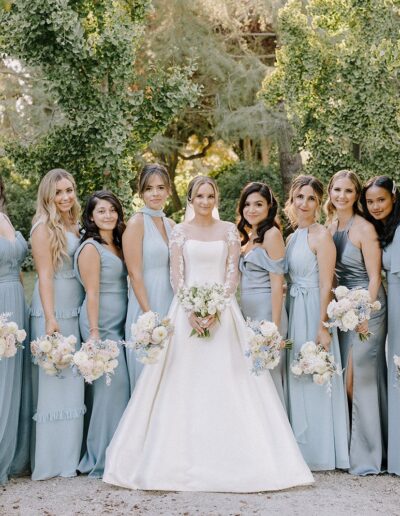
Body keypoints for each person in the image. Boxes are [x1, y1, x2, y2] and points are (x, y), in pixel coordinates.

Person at [103, 175, 313, 492]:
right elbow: (177, 275)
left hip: (223, 313)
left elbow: (232, 274)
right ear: (190, 198)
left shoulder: (229, 230)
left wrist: (216, 307)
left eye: (210, 195)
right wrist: (190, 309)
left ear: (215, 198)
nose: (205, 201)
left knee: (234, 381)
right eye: (199, 196)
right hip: (185, 311)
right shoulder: (179, 232)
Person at [285, 175, 349, 471]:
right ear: (292, 200)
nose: (305, 203)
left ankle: (322, 451)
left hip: (314, 308)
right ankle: (301, 450)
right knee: (298, 373)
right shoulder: (291, 237)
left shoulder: (321, 235)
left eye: (311, 198)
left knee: (316, 373)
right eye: (300, 197)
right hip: (295, 307)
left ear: (319, 202)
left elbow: (327, 284)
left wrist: (323, 326)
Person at [326, 169, 387, 475]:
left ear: (356, 196)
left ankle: (370, 454)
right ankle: (351, 447)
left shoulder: (365, 228)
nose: (342, 196)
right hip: (342, 310)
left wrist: (365, 313)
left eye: (348, 191)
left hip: (368, 308)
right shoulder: (330, 224)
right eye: (337, 190)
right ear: (330, 192)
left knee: (358, 379)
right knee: (345, 377)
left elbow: (375, 275)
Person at [30, 168, 85, 480]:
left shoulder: (74, 224)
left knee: (73, 382)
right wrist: (50, 317)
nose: (66, 197)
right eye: (59, 193)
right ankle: (52, 461)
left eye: (69, 190)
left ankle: (70, 457)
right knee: (56, 383)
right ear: (48, 197)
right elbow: (44, 276)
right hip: (53, 310)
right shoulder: (43, 228)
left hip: (73, 310)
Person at [74, 191, 130, 478]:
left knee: (119, 390)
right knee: (111, 389)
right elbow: (92, 292)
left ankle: (121, 452)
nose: (108, 216)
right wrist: (93, 334)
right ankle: (100, 456)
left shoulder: (118, 243)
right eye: (101, 211)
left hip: (121, 324)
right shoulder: (90, 249)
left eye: (112, 210)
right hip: (101, 325)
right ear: (91, 217)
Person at [123, 164, 174, 393]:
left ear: (169, 191)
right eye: (149, 188)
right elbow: (134, 273)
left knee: (170, 373)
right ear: (141, 193)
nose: (155, 193)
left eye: (160, 187)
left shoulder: (172, 225)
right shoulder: (136, 224)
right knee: (148, 374)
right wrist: (149, 314)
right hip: (146, 304)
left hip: (170, 302)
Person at [237, 182, 288, 409]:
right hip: (249, 316)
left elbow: (277, 284)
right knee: (255, 379)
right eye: (247, 205)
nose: (252, 209)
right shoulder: (249, 237)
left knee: (270, 376)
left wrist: (275, 329)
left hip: (268, 314)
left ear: (269, 206)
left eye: (258, 204)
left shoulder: (272, 234)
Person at [361, 175, 399, 475]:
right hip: (393, 305)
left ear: (393, 198)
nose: (375, 206)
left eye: (381, 200)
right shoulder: (381, 230)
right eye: (370, 201)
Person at [0, 177, 31, 484]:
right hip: (0, 304)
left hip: (16, 304)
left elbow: (19, 270)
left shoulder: (5, 216)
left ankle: (12, 454)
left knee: (13, 378)